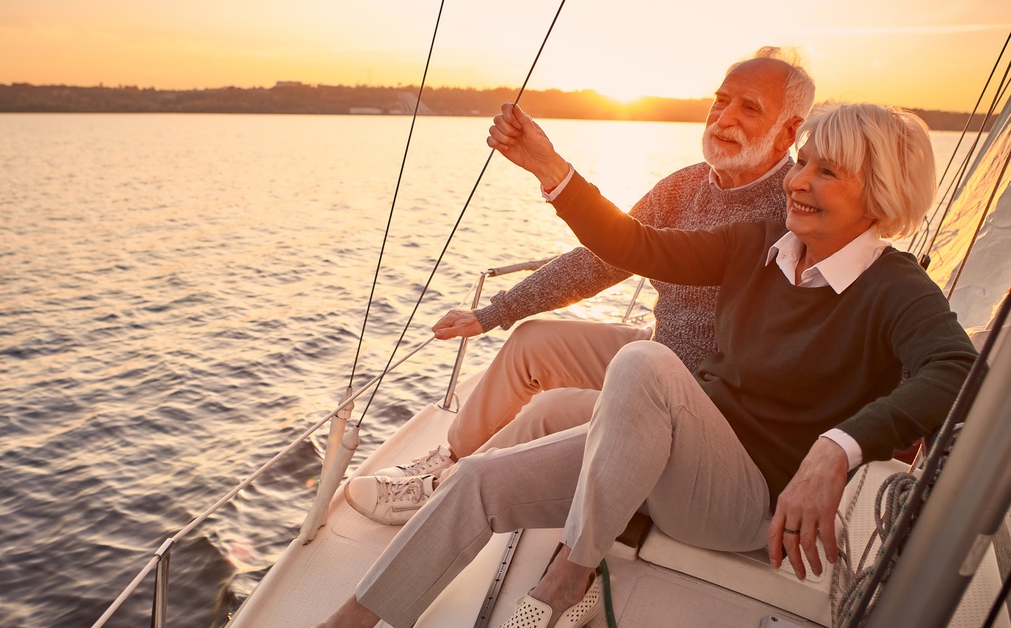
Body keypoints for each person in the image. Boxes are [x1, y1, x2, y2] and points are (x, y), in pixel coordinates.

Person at [316, 101, 978, 628]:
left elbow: (956, 372)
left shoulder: (896, 289)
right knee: (479, 481)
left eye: (827, 172)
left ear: (881, 192)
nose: (799, 181)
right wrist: (553, 171)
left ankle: (571, 574)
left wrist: (839, 447)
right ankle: (353, 619)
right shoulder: (759, 244)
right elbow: (634, 244)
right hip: (673, 461)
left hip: (747, 506)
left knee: (644, 361)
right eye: (803, 163)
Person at [344, 47, 816, 525]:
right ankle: (453, 457)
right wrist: (494, 313)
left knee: (551, 409)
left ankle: (450, 496)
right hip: (658, 350)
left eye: (750, 107)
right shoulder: (685, 186)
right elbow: (601, 260)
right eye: (720, 100)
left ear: (789, 131)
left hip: (703, 402)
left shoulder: (800, 211)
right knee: (532, 342)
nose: (724, 118)